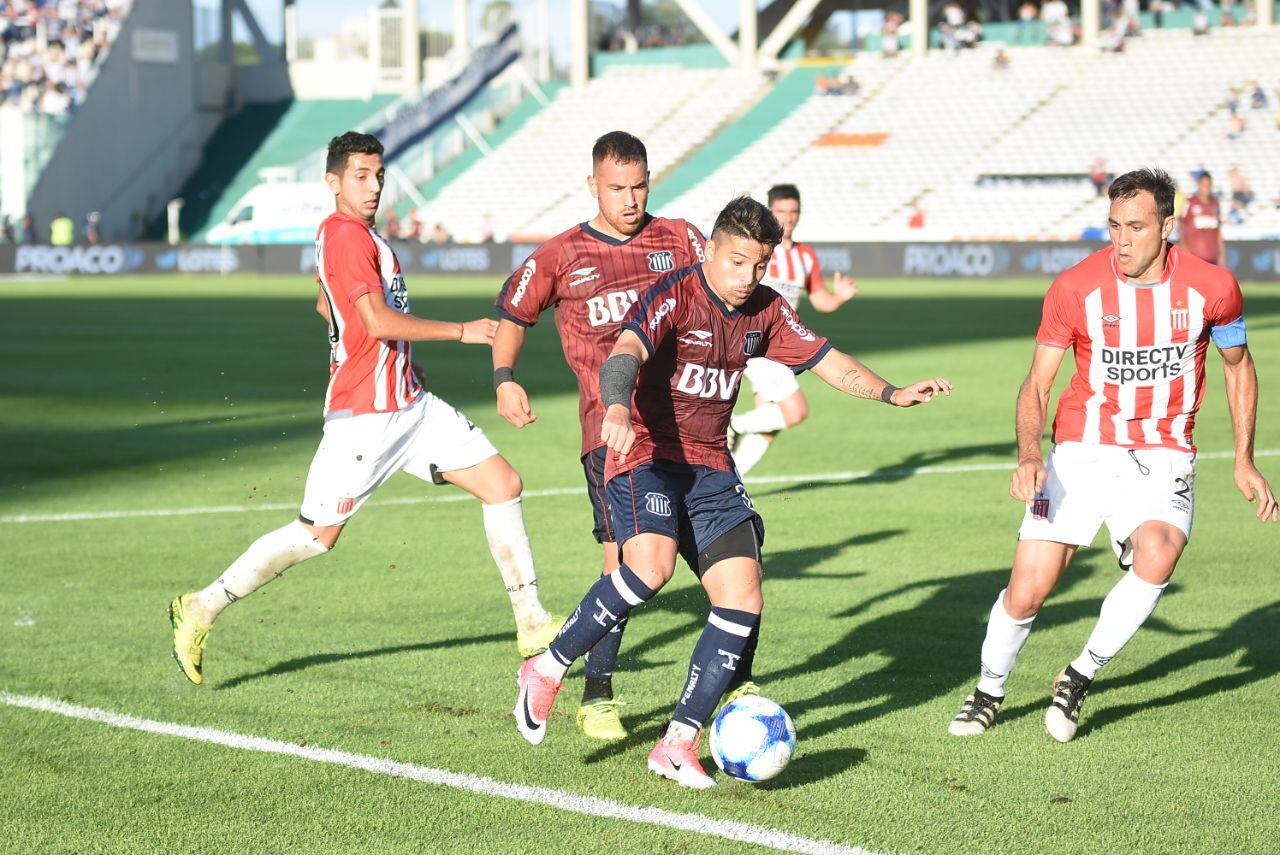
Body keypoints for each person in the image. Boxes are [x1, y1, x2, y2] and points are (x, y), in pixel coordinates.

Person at [513, 196, 952, 787]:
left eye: (760, 265)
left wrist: (892, 393)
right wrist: (616, 405)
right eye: (737, 262)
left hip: (712, 466)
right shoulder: (673, 293)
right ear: (713, 250)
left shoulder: (767, 310)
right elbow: (624, 354)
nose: (748, 278)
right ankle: (546, 668)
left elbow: (826, 360)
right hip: (647, 454)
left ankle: (677, 743)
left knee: (742, 598)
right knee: (650, 569)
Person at [169, 132, 562, 685]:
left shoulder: (361, 238)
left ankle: (530, 622)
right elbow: (375, 321)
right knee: (316, 536)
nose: (374, 185)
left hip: (409, 403)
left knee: (503, 484)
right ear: (333, 182)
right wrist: (461, 331)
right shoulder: (346, 236)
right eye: (361, 175)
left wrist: (397, 359)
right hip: (368, 417)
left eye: (379, 174)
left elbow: (327, 307)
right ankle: (202, 606)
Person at [948, 168, 1276, 743]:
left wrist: (1243, 458)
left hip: (1165, 449)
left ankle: (1079, 675)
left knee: (1159, 554)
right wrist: (1030, 454)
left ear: (1168, 227)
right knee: (1030, 587)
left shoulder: (1214, 287)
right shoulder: (1076, 287)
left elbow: (1238, 366)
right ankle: (989, 689)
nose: (1121, 240)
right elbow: (1038, 383)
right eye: (1113, 225)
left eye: (1136, 227)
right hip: (1081, 449)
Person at [492, 131, 707, 741]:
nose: (631, 198)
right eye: (617, 188)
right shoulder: (561, 254)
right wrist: (505, 378)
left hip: (689, 428)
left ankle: (732, 678)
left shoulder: (680, 237)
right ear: (593, 186)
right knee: (622, 562)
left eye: (640, 185)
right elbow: (513, 314)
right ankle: (596, 692)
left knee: (725, 550)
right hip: (611, 435)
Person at [729, 184, 858, 476]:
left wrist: (839, 297)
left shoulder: (806, 256)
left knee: (769, 426)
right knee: (795, 411)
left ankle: (731, 482)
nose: (788, 218)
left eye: (793, 212)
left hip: (783, 346)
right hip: (759, 343)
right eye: (781, 212)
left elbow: (819, 299)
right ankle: (734, 425)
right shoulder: (758, 250)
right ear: (770, 212)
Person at [1180, 171, 1224, 265]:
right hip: (1195, 257)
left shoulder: (1215, 203)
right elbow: (1181, 225)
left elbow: (1218, 231)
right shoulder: (1190, 202)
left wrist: (1222, 254)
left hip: (1212, 257)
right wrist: (1185, 249)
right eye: (1204, 185)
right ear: (1199, 185)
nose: (1206, 188)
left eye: (1209, 185)